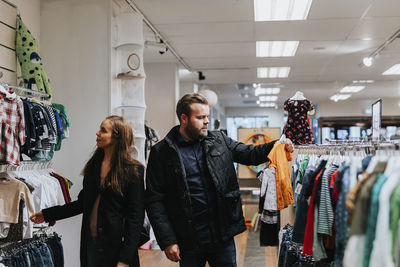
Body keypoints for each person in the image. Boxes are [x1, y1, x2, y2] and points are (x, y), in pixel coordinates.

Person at [145, 93, 294, 267]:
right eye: (200, 117)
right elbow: (154, 200)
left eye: (207, 116)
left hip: (221, 234)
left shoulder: (219, 140)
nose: (206, 121)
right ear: (183, 118)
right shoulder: (162, 152)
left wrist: (278, 145)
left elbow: (250, 154)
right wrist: (168, 240)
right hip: (188, 238)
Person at [30, 115, 145, 267]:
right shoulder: (94, 166)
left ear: (117, 137)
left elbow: (135, 217)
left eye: (103, 131)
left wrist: (124, 259)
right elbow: (82, 203)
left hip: (117, 245)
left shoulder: (133, 170)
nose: (97, 133)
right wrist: (47, 214)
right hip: (91, 243)